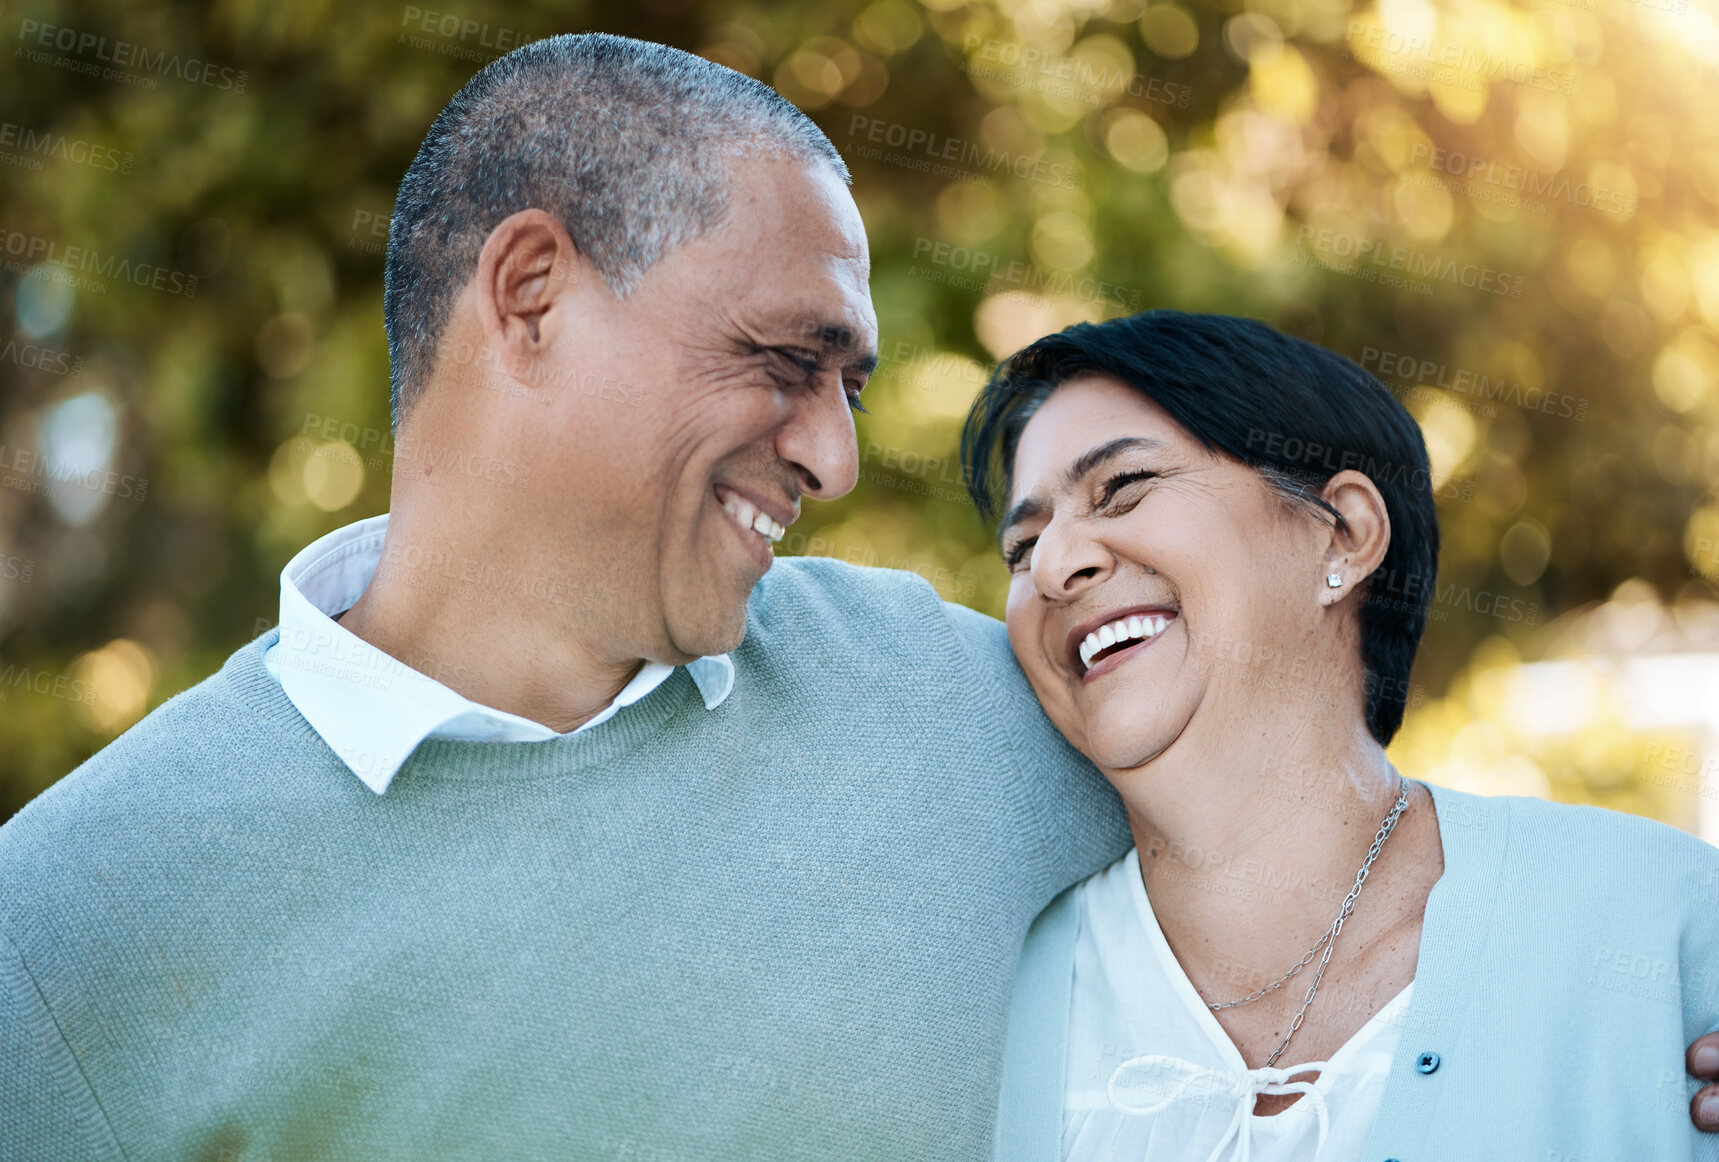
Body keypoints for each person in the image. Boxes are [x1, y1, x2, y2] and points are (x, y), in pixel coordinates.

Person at [1, 34, 1715, 1161]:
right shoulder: (76, 914)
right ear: (527, 297)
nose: (829, 451)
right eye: (780, 359)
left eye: (851, 386)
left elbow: (1316, 813)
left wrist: (1661, 1003)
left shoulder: (942, 697)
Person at [964, 311, 1719, 1161]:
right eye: (1021, 546)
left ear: (1343, 533)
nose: (1053, 565)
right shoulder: (981, 1000)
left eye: (1124, 486)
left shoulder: (1657, 925)